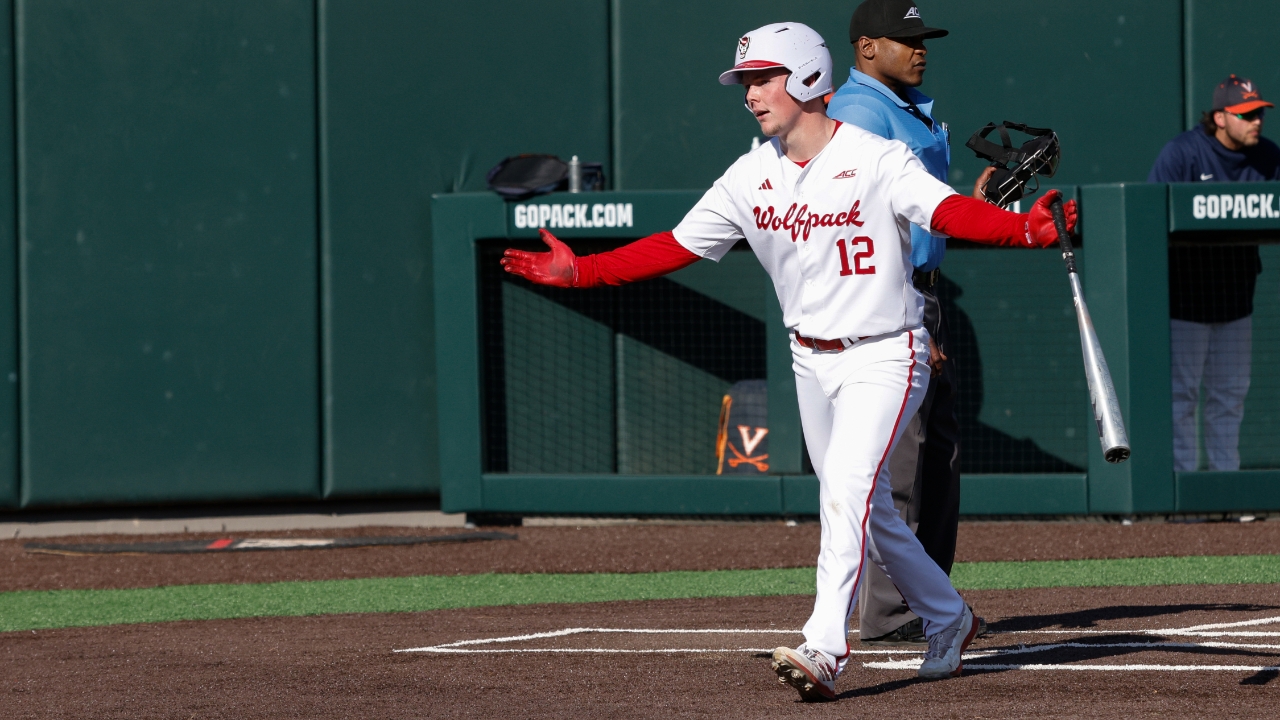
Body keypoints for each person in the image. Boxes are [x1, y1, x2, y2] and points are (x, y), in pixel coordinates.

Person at [501, 22, 1076, 701]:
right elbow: (675, 246)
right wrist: (582, 273)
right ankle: (950, 618)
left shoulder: (876, 157)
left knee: (845, 494)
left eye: (763, 78)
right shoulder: (751, 174)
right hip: (811, 361)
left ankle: (826, 645)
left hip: (887, 352)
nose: (751, 94)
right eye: (746, 82)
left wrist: (1022, 228)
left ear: (807, 78)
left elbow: (948, 211)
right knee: (872, 510)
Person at [826, 0, 988, 647]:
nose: (919, 49)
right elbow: (857, 225)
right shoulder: (861, 114)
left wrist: (971, 210)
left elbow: (916, 209)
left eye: (923, 39)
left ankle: (929, 601)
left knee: (938, 459)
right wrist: (904, 318)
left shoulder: (901, 107)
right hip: (891, 299)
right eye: (905, 39)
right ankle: (892, 613)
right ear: (867, 48)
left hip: (924, 291)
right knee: (903, 461)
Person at [1149, 75, 1280, 472]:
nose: (1256, 120)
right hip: (1186, 303)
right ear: (1221, 117)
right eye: (1246, 114)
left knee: (1230, 397)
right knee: (1181, 398)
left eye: (1259, 112)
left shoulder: (1269, 157)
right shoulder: (1183, 154)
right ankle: (1185, 495)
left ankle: (1228, 490)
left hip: (1237, 299)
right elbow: (1149, 220)